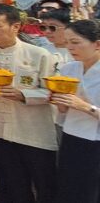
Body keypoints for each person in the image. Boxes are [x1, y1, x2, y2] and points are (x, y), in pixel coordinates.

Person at [0, 4, 57, 203]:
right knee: (12, 185)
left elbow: (52, 91)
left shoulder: (38, 55)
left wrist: (23, 94)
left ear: (15, 27)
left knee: (45, 185)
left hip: (33, 132)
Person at [50, 20, 100, 202]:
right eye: (67, 42)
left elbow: (82, 106)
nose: (70, 47)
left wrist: (86, 107)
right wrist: (59, 102)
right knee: (69, 187)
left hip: (96, 142)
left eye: (76, 42)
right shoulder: (69, 68)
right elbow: (63, 110)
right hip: (72, 136)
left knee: (91, 191)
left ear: (97, 43)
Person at [38, 9, 73, 74]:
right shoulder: (42, 51)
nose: (47, 31)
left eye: (52, 27)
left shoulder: (81, 52)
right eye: (43, 27)